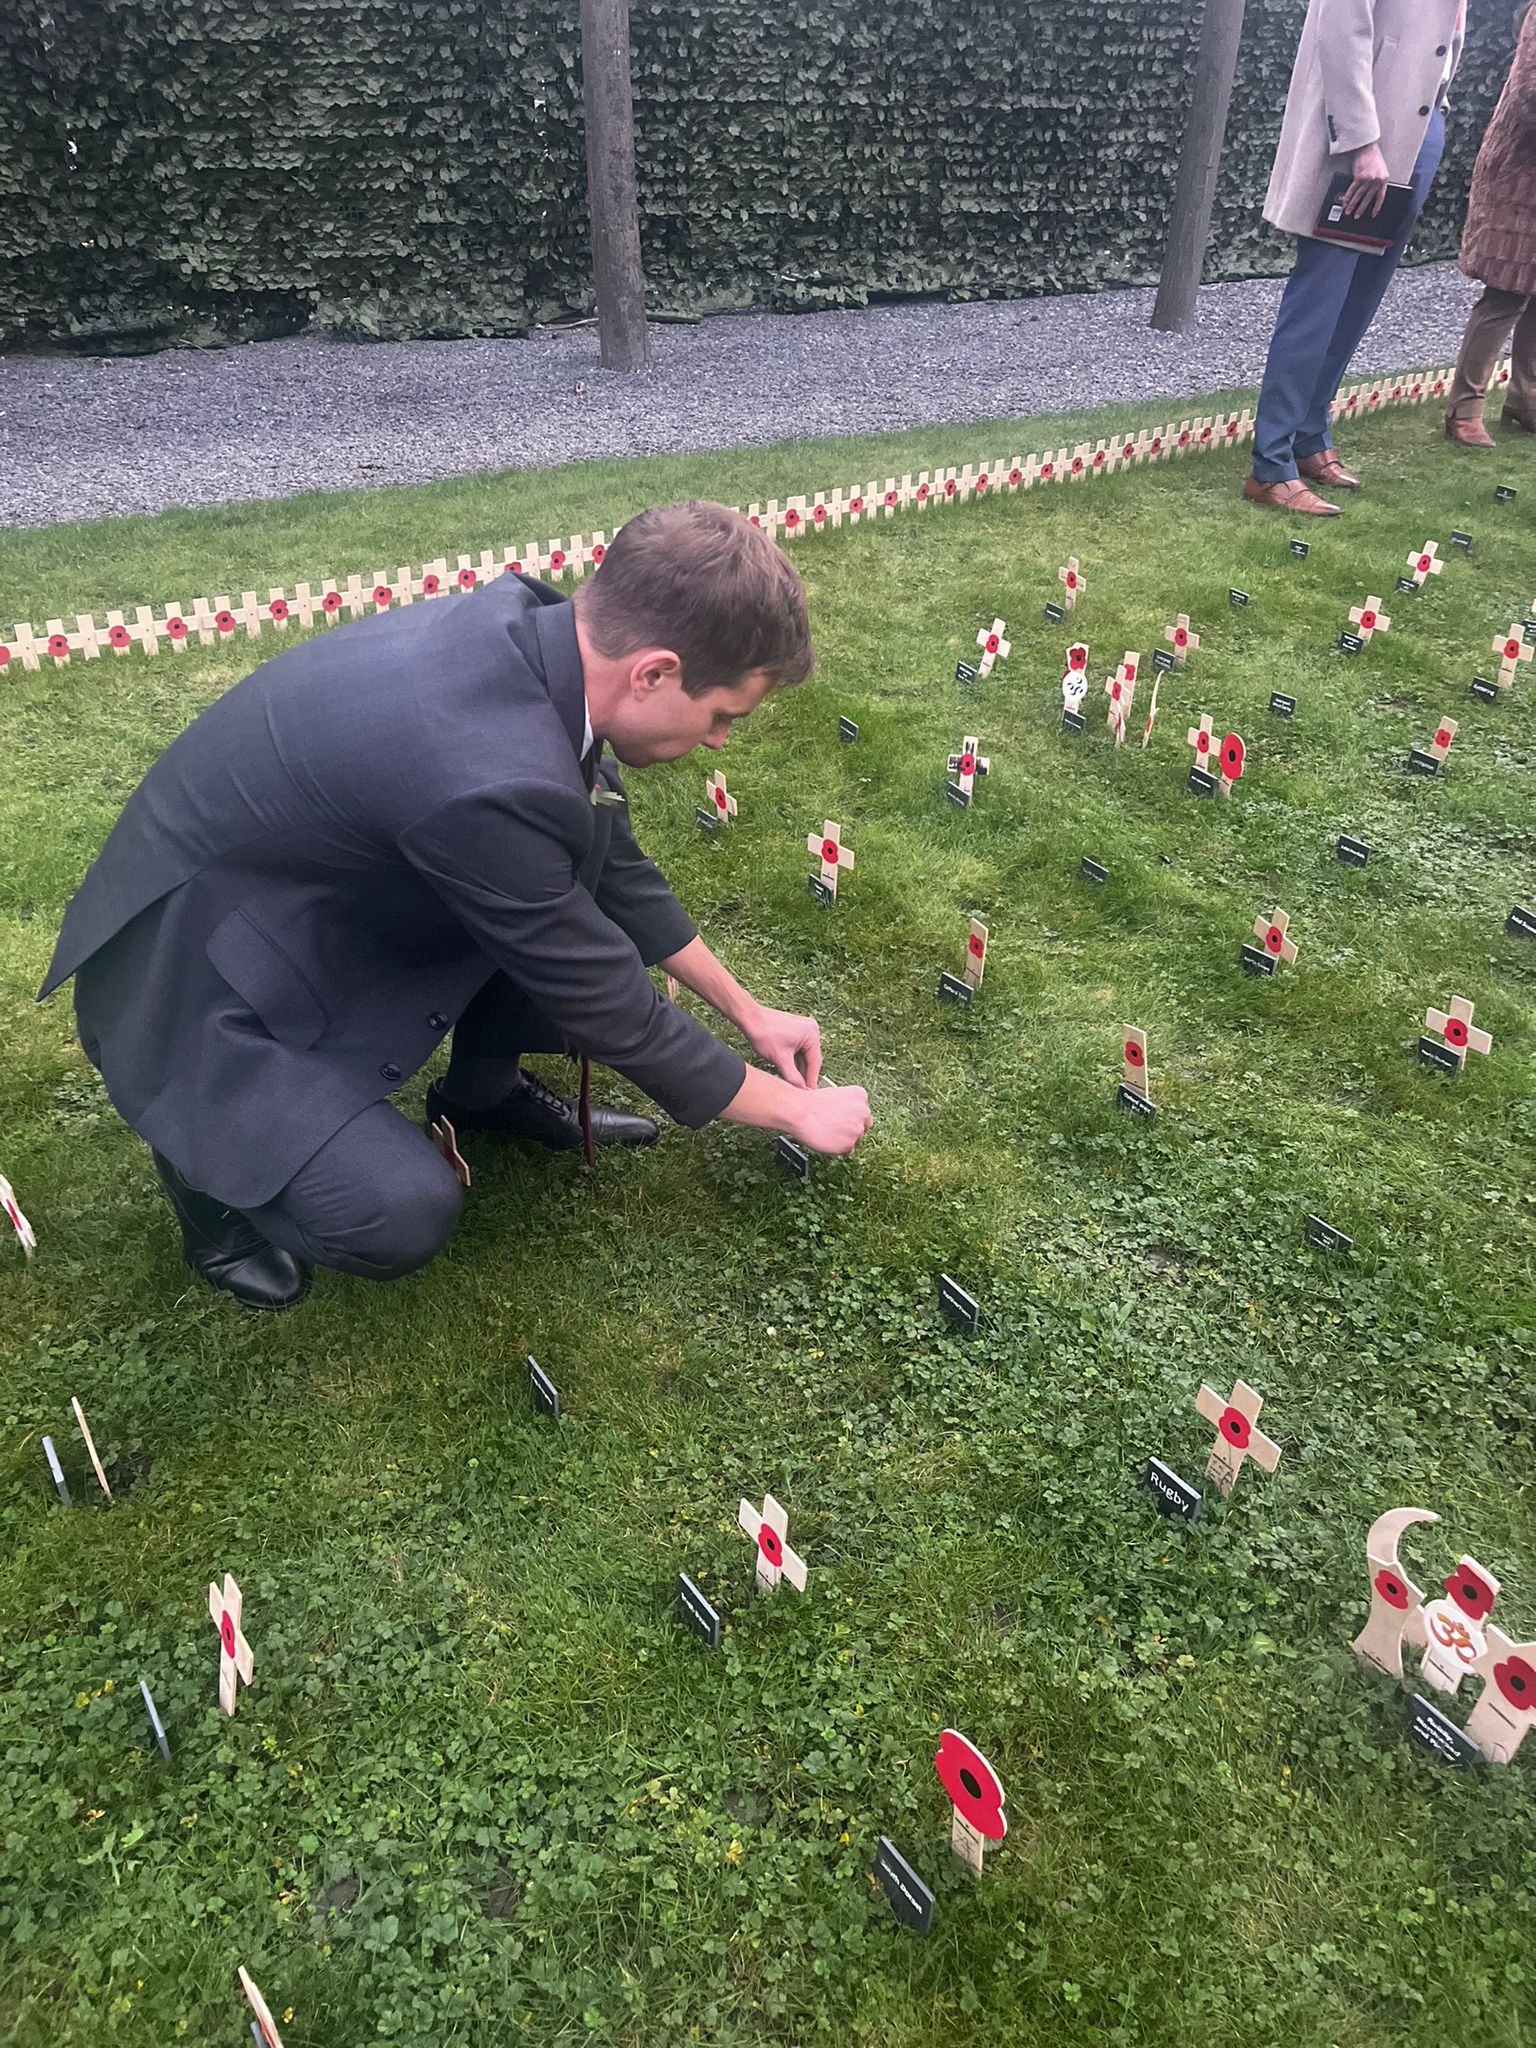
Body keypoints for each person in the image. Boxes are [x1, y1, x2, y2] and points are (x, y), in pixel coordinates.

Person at [37, 502, 873, 1311]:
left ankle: (480, 1094)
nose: (723, 738)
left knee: (563, 882)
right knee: (396, 1211)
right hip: (193, 978)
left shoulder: (545, 643)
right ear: (654, 671)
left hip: (308, 903)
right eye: (723, 714)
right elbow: (613, 1009)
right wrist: (797, 1109)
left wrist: (749, 1012)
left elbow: (611, 860)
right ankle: (204, 1167)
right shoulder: (485, 771)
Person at [1245, 0, 1465, 516]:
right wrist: (1363, 140)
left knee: (1360, 299)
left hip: (1421, 124)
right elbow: (1341, 29)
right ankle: (1269, 467)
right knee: (1319, 299)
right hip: (1365, 134)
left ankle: (1308, 436)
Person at [1445, 2, 1536, 445]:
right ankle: (1465, 409)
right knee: (1506, 293)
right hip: (1520, 174)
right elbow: (1529, 93)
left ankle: (1525, 399)